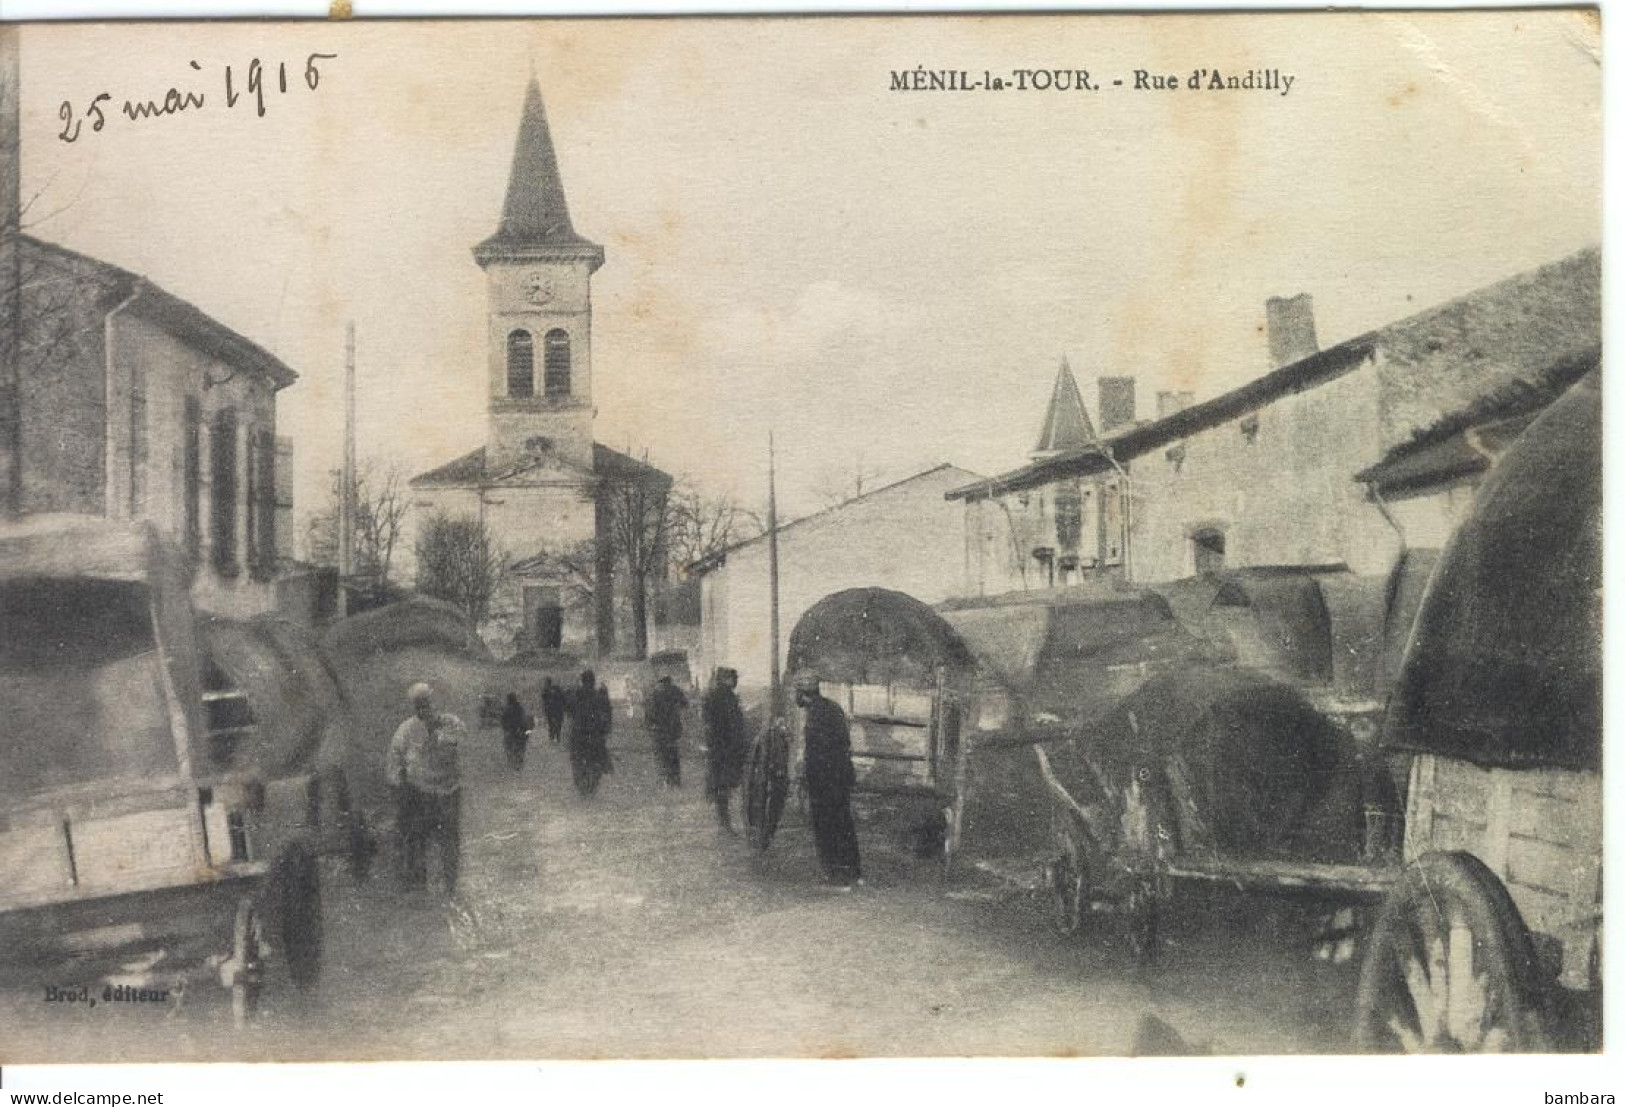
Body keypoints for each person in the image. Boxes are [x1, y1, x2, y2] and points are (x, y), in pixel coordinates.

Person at [386, 682, 466, 894]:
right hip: (420, 793)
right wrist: (399, 785)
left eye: (427, 704)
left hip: (448, 790)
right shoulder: (406, 729)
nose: (425, 709)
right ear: (415, 707)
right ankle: (419, 887)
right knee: (417, 837)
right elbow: (395, 759)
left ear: (434, 702)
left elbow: (455, 741)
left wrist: (435, 731)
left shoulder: (450, 722)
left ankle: (450, 886)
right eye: (420, 706)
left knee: (449, 839)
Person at [795, 673, 862, 888]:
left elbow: (816, 751)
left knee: (825, 826)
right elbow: (844, 741)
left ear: (801, 694)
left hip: (824, 779)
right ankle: (854, 872)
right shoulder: (833, 707)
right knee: (843, 822)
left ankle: (836, 876)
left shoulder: (814, 714)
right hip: (841, 775)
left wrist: (806, 775)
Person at [702, 668, 748, 832]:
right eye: (733, 678)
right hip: (727, 748)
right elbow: (735, 724)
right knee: (725, 784)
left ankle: (724, 819)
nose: (736, 682)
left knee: (721, 784)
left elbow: (707, 724)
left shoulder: (712, 696)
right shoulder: (727, 697)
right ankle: (726, 822)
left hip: (718, 747)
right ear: (727, 679)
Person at [567, 670, 610, 796]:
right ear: (593, 681)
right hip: (595, 735)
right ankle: (592, 786)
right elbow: (606, 714)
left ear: (582, 681)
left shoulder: (576, 695)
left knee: (578, 762)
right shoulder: (599, 696)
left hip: (579, 735)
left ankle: (582, 787)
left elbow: (569, 710)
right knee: (597, 761)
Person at [647, 675, 689, 788]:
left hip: (659, 730)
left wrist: (650, 726)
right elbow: (685, 703)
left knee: (660, 755)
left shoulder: (654, 693)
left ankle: (663, 781)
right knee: (673, 754)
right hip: (672, 728)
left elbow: (649, 713)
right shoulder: (675, 690)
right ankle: (675, 781)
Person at [500, 691, 533, 771]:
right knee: (520, 747)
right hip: (520, 731)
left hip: (512, 731)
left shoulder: (507, 709)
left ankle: (512, 762)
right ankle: (519, 762)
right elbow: (524, 720)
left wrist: (506, 728)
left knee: (510, 747)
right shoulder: (520, 708)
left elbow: (503, 720)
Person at [540, 676, 567, 744]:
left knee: (555, 726)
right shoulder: (546, 691)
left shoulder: (554, 689)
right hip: (553, 712)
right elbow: (544, 700)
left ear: (548, 683)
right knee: (553, 726)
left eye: (546, 683)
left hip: (556, 711)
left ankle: (555, 739)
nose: (545, 684)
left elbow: (562, 698)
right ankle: (554, 739)